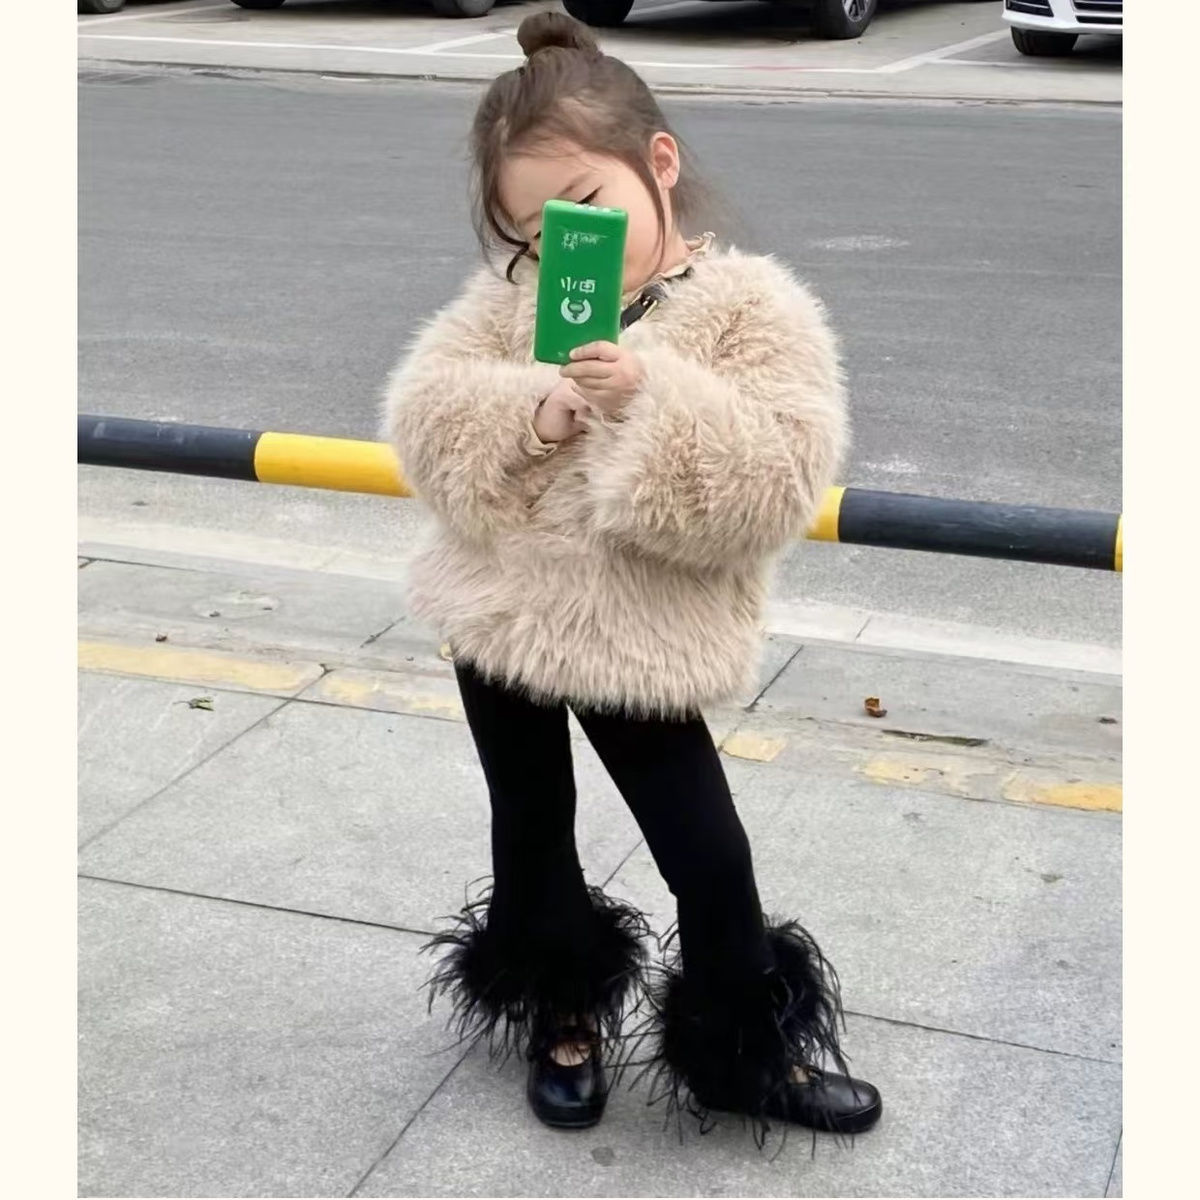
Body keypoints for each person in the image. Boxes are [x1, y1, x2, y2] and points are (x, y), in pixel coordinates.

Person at [382, 11, 882, 1147]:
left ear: (659, 162)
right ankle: (561, 1005)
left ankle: (742, 1045)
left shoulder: (752, 307)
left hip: (638, 634)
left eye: (587, 206)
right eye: (531, 229)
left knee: (706, 850)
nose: (563, 244)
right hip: (499, 612)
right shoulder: (518, 297)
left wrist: (648, 399)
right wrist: (535, 408)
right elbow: (426, 420)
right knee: (530, 823)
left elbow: (775, 481)